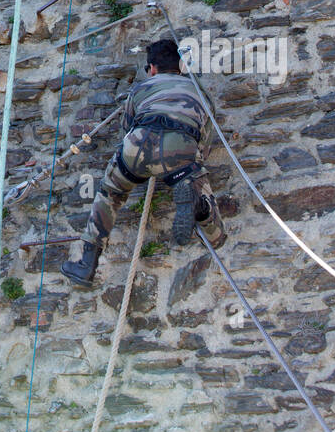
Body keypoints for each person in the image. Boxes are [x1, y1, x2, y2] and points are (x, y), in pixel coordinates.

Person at [61, 38, 226, 289]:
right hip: (179, 149)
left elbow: (126, 128)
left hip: (137, 145)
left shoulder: (141, 89)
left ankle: (86, 264)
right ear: (180, 67)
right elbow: (205, 142)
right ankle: (199, 207)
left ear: (152, 68)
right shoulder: (199, 93)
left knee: (110, 193)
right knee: (217, 233)